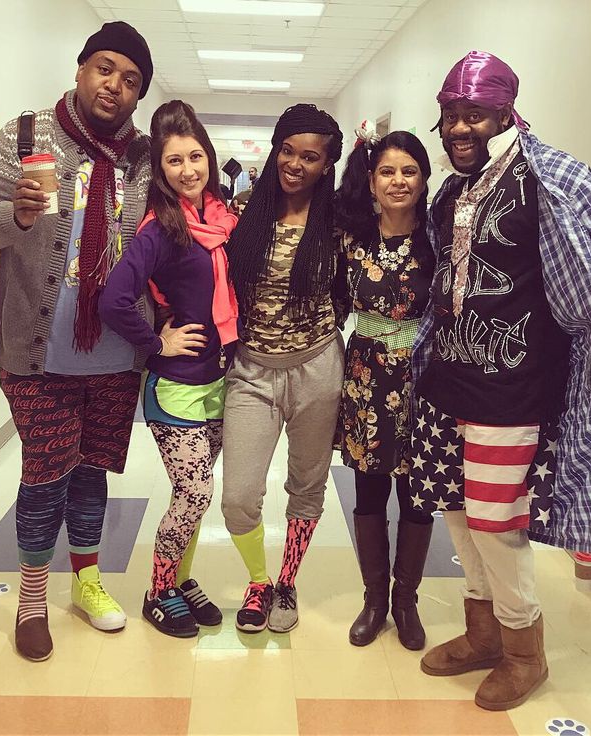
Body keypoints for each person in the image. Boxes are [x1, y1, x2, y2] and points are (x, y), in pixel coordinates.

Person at [409, 50, 591, 710]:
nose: (461, 128)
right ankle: (483, 634)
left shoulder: (551, 175)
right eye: (451, 116)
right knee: (461, 516)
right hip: (447, 381)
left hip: (512, 387)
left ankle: (526, 651)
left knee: (499, 526)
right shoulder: (451, 189)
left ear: (506, 113)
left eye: (476, 115)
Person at [0, 22, 154, 661]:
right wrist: (12, 215)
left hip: (116, 353)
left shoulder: (145, 157)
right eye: (105, 68)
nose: (114, 87)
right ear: (79, 68)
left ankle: (89, 583)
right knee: (46, 472)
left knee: (92, 469)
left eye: (131, 81)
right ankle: (34, 597)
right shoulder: (22, 137)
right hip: (35, 352)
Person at [99, 100, 238, 638]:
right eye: (174, 161)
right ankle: (159, 591)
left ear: (208, 156)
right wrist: (156, 344)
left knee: (196, 493)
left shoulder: (220, 217)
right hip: (176, 387)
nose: (188, 170)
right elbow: (115, 299)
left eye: (195, 156)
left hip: (219, 381)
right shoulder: (161, 229)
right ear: (160, 169)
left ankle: (180, 580)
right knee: (194, 493)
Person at [223, 104, 347, 633]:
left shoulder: (341, 222)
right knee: (237, 497)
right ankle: (257, 580)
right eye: (288, 151)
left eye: (310, 157)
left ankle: (287, 581)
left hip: (318, 368)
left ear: (326, 165)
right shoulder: (245, 211)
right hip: (252, 372)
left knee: (307, 484)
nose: (295, 164)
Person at [333, 123, 435, 650]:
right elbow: (332, 306)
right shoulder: (351, 237)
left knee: (417, 496)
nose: (398, 181)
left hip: (425, 380)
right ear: (371, 180)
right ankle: (375, 599)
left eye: (409, 172)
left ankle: (406, 600)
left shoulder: (439, 238)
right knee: (369, 490)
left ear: (424, 178)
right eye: (388, 172)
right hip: (366, 378)